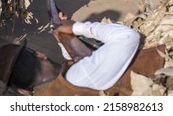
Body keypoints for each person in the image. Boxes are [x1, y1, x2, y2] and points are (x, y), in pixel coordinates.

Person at [0, 20, 140, 96]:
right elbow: (128, 37)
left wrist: (64, 41)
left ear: (23, 91)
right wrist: (76, 27)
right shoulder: (81, 75)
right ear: (40, 55)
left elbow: (78, 68)